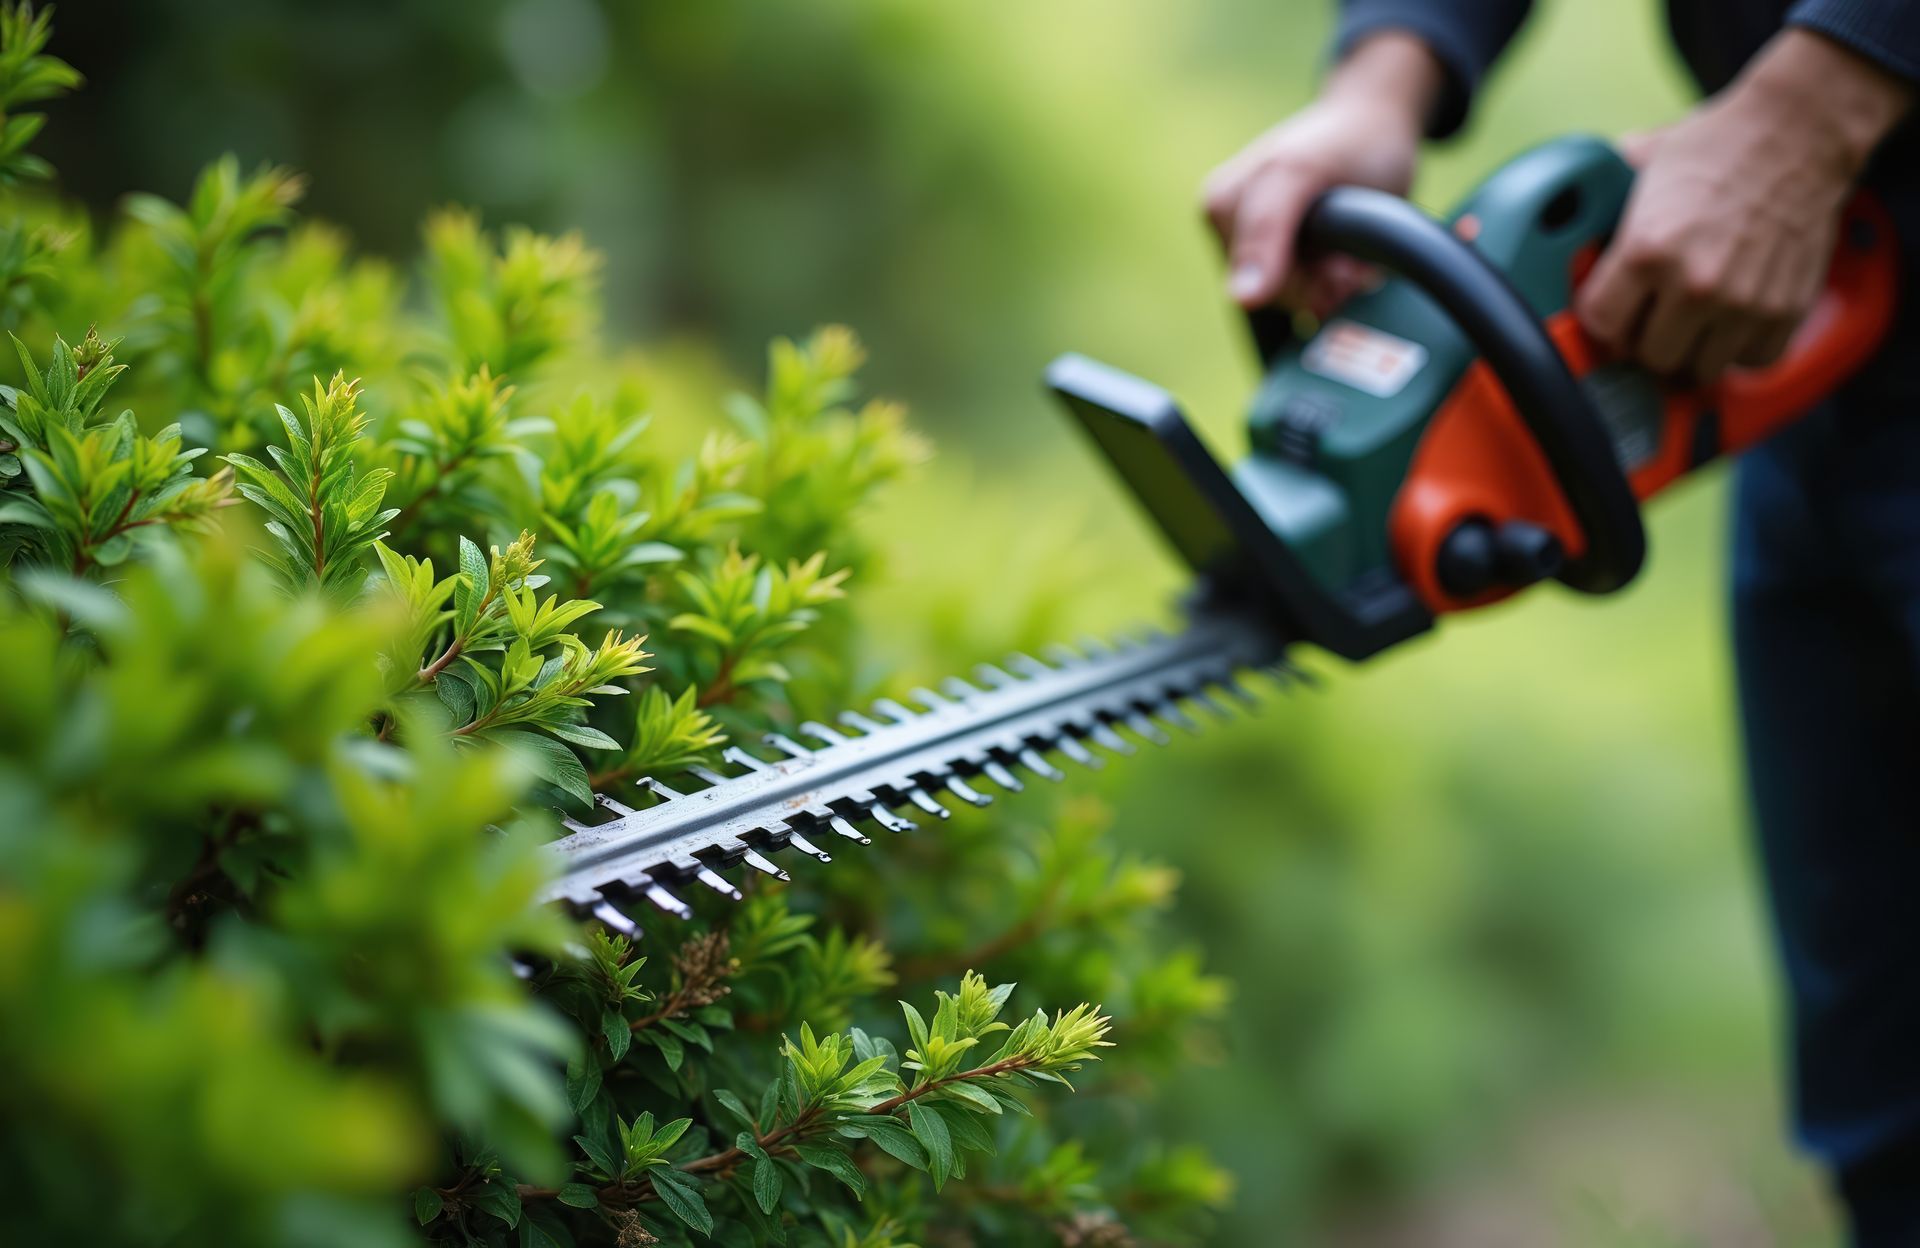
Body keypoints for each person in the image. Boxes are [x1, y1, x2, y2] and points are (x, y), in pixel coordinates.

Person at [1202, 3, 1920, 1242]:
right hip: (1817, 320)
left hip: (1812, 172)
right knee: (1883, 1096)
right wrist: (1386, 73)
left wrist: (1815, 104)